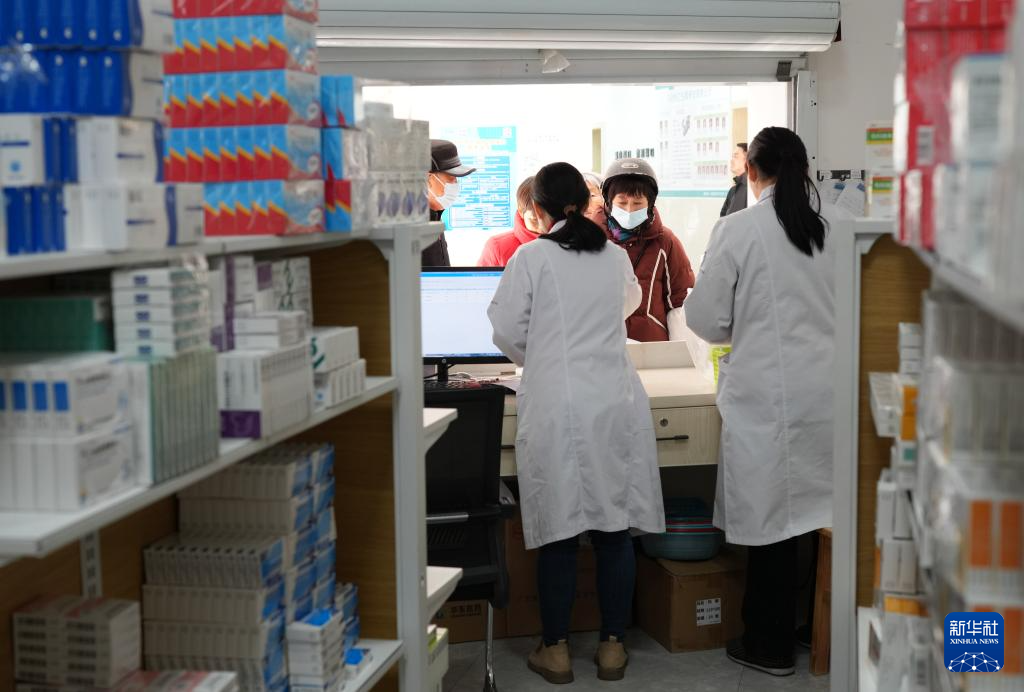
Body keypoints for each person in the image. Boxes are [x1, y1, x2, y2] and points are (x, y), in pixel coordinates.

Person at [487, 162, 664, 685]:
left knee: (560, 531)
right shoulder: (613, 256)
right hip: (612, 400)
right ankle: (612, 647)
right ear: (587, 205)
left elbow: (505, 331)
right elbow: (628, 305)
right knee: (613, 528)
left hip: (557, 404)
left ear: (538, 208)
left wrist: (544, 357)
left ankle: (556, 650)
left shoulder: (530, 258)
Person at [684, 127, 844, 677]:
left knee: (773, 521)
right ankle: (815, 630)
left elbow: (708, 321)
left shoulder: (738, 228)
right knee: (824, 515)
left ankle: (768, 645)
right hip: (831, 396)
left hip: (769, 399)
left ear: (751, 170)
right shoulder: (840, 225)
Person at [600, 158, 695, 342]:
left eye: (637, 203)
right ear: (609, 202)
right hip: (601, 346)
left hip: (652, 346)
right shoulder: (592, 241)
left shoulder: (665, 241)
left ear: (650, 204)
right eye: (622, 203)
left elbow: (680, 299)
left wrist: (679, 350)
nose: (629, 210)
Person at [423, 139, 476, 266]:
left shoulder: (435, 218)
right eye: (451, 178)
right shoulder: (407, 230)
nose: (455, 184)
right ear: (428, 179)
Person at [477, 176, 543, 266]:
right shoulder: (497, 247)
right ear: (520, 211)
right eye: (534, 220)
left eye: (548, 218)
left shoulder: (562, 244)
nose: (542, 227)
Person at [720, 143, 748, 216]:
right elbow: (723, 217)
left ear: (747, 160)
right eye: (732, 157)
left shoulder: (751, 189)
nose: (731, 160)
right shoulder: (733, 190)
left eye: (735, 156)